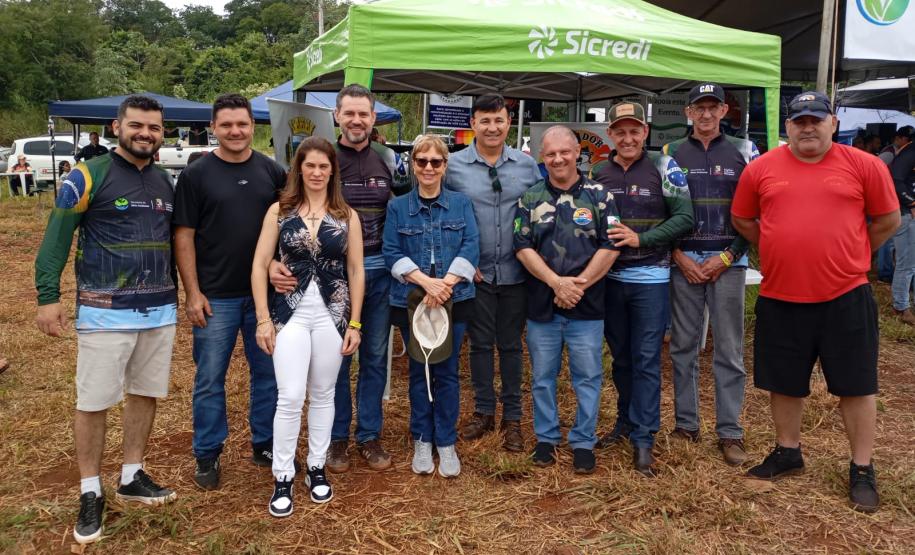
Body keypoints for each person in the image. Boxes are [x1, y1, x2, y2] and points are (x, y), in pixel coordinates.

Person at [732, 91, 900, 513]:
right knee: (783, 381)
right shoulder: (762, 168)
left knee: (857, 385)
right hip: (781, 294)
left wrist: (854, 255)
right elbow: (744, 219)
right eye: (799, 120)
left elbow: (887, 220)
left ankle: (861, 467)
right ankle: (788, 451)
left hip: (845, 295)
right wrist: (776, 247)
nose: (808, 127)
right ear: (788, 126)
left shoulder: (866, 166)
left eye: (816, 120)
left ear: (833, 123)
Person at [34, 95, 178, 544]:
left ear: (161, 133)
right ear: (117, 128)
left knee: (144, 393)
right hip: (103, 311)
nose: (146, 134)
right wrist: (47, 295)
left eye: (154, 128)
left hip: (159, 309)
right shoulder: (87, 176)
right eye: (137, 125)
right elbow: (57, 236)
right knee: (94, 401)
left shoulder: (165, 183)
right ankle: (90, 489)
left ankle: (132, 475)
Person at [271, 85, 409, 474]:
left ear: (373, 118)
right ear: (337, 116)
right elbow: (285, 213)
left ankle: (369, 435)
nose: (356, 121)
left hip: (378, 268)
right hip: (329, 273)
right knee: (337, 360)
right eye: (349, 113)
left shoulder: (389, 158)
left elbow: (407, 206)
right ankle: (336, 439)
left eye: (363, 114)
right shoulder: (323, 159)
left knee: (374, 356)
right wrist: (269, 262)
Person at [173, 94, 287, 490]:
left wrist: (277, 265)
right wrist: (192, 292)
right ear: (213, 128)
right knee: (209, 378)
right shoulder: (196, 175)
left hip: (264, 299)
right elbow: (183, 236)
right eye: (227, 125)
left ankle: (266, 443)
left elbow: (286, 229)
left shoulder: (272, 172)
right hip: (215, 297)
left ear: (252, 126)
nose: (235, 131)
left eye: (242, 124)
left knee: (268, 375)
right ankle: (207, 452)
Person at [252, 136, 364, 517]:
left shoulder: (347, 215)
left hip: (332, 315)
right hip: (289, 313)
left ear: (333, 170)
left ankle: (315, 467)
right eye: (310, 165)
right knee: (290, 395)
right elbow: (259, 264)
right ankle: (283, 473)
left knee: (325, 393)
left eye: (323, 166)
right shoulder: (279, 212)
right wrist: (263, 319)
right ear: (299, 168)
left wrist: (355, 323)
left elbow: (356, 270)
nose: (317, 172)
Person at [590, 101, 693, 477]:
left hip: (650, 278)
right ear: (611, 135)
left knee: (647, 358)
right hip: (610, 280)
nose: (628, 137)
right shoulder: (598, 171)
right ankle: (625, 422)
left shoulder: (665, 167)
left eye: (635, 131)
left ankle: (645, 437)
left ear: (645, 133)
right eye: (620, 131)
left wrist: (642, 239)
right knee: (620, 358)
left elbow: (685, 216)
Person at [661, 83, 759, 465]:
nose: (705, 114)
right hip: (684, 261)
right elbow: (661, 211)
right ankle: (686, 424)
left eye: (712, 107)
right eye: (698, 108)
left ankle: (730, 431)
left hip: (728, 263)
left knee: (729, 349)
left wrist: (727, 256)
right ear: (687, 112)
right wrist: (678, 254)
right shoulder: (670, 153)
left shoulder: (744, 152)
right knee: (684, 346)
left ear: (723, 111)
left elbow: (753, 213)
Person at [514, 126, 620, 474]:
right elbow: (522, 247)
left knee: (587, 377)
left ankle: (583, 442)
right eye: (550, 154)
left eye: (564, 152)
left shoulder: (600, 196)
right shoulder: (530, 198)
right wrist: (557, 283)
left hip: (587, 306)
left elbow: (610, 245)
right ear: (541, 158)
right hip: (542, 305)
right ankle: (546, 438)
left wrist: (578, 285)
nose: (558, 159)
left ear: (577, 153)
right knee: (543, 376)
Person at [444, 94, 542, 451]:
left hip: (517, 271)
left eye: (499, 120)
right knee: (481, 345)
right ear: (473, 125)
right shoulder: (453, 167)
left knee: (512, 345)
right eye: (485, 121)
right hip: (476, 274)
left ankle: (513, 417)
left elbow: (539, 214)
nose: (492, 127)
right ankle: (484, 411)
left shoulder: (527, 166)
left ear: (508, 123)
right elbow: (444, 216)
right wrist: (462, 264)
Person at [383, 134, 479, 478]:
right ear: (412, 164)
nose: (428, 167)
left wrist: (446, 285)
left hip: (454, 300)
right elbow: (391, 251)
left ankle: (446, 441)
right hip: (413, 300)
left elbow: (471, 245)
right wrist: (426, 283)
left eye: (435, 162)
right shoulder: (397, 207)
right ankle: (422, 437)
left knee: (447, 372)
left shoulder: (461, 204)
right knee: (419, 370)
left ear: (445, 165)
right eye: (421, 161)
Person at [888, 125, 915, 325]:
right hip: (906, 214)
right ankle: (901, 306)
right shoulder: (910, 153)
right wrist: (911, 203)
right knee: (907, 263)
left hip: (908, 213)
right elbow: (896, 180)